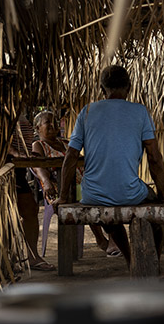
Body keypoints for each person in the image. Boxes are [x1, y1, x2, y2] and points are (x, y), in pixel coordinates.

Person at [55, 65, 164, 268]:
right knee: (157, 217)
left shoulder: (87, 111)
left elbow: (71, 156)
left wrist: (63, 197)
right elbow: (154, 158)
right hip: (130, 193)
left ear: (101, 89)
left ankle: (130, 262)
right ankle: (154, 266)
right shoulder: (140, 111)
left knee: (111, 219)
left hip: (93, 195)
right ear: (130, 87)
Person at [30, 110, 120, 257]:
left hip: (83, 183)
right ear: (38, 128)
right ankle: (101, 239)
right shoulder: (38, 145)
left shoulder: (66, 142)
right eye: (48, 122)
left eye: (54, 121)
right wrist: (46, 182)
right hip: (60, 189)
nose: (53, 125)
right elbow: (37, 165)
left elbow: (82, 160)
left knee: (108, 192)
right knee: (88, 196)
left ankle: (112, 238)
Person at [10, 110, 54, 271]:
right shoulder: (2, 107)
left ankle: (32, 256)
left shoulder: (18, 110)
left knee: (30, 210)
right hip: (6, 166)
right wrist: (15, 153)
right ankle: (7, 259)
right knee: (9, 214)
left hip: (19, 168)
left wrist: (27, 155)